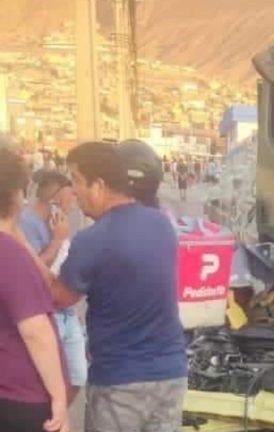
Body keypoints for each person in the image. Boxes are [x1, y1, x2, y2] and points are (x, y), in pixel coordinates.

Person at [47, 141, 187, 431]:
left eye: (76, 180)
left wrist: (26, 247)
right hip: (171, 374)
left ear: (99, 185)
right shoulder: (161, 224)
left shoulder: (93, 240)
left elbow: (58, 297)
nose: (73, 191)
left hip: (121, 381)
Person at [0, 147, 70, 432]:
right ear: (17, 194)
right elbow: (35, 331)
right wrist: (59, 397)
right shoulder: (9, 255)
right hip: (21, 395)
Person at [18, 170, 87, 404]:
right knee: (49, 381)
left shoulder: (58, 221)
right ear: (56, 196)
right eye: (71, 194)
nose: (75, 199)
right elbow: (30, 269)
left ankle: (57, 418)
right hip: (45, 312)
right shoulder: (26, 223)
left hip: (66, 311)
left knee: (77, 376)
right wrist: (57, 240)